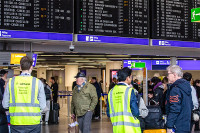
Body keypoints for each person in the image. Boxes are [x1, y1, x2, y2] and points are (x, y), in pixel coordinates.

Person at [2, 56, 46, 133]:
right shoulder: (37, 82)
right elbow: (43, 105)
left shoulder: (11, 82)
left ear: (20, 68)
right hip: (33, 122)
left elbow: (5, 105)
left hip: (16, 122)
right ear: (31, 67)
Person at [107, 67, 141, 133]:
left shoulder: (111, 92)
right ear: (127, 78)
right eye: (131, 77)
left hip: (117, 128)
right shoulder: (129, 91)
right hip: (131, 128)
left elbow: (108, 112)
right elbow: (135, 111)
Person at [165, 65, 193, 133]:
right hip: (186, 125)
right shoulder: (186, 87)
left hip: (176, 126)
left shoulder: (175, 89)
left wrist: (169, 125)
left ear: (174, 74)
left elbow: (174, 109)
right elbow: (191, 105)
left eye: (168, 74)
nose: (167, 76)